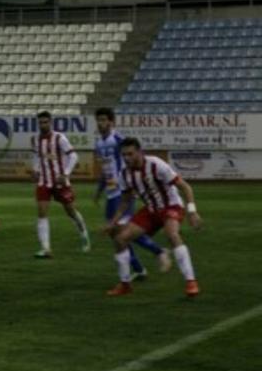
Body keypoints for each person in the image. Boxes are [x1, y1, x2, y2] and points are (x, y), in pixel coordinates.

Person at [105, 137, 201, 297]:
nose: (127, 158)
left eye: (130, 154)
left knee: (172, 234)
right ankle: (125, 284)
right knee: (120, 238)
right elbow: (125, 201)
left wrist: (192, 211)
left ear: (139, 152)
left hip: (171, 206)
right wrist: (112, 223)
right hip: (150, 210)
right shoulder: (124, 174)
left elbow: (185, 187)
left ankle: (191, 281)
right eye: (124, 155)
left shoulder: (156, 165)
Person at [93, 107, 170, 280]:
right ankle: (139, 269)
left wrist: (133, 186)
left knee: (124, 231)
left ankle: (158, 251)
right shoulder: (99, 144)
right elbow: (105, 169)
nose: (101, 123)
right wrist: (99, 190)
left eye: (104, 120)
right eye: (98, 120)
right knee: (115, 234)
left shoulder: (118, 140)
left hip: (123, 193)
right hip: (111, 194)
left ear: (112, 122)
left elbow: (131, 164)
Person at [31, 111, 90, 258]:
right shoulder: (36, 139)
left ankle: (84, 235)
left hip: (60, 182)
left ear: (50, 122)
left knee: (70, 211)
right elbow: (36, 157)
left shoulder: (59, 138)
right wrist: (35, 170)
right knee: (42, 213)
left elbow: (74, 155)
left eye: (45, 122)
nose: (43, 125)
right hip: (43, 182)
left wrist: (66, 174)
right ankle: (46, 249)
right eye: (40, 122)